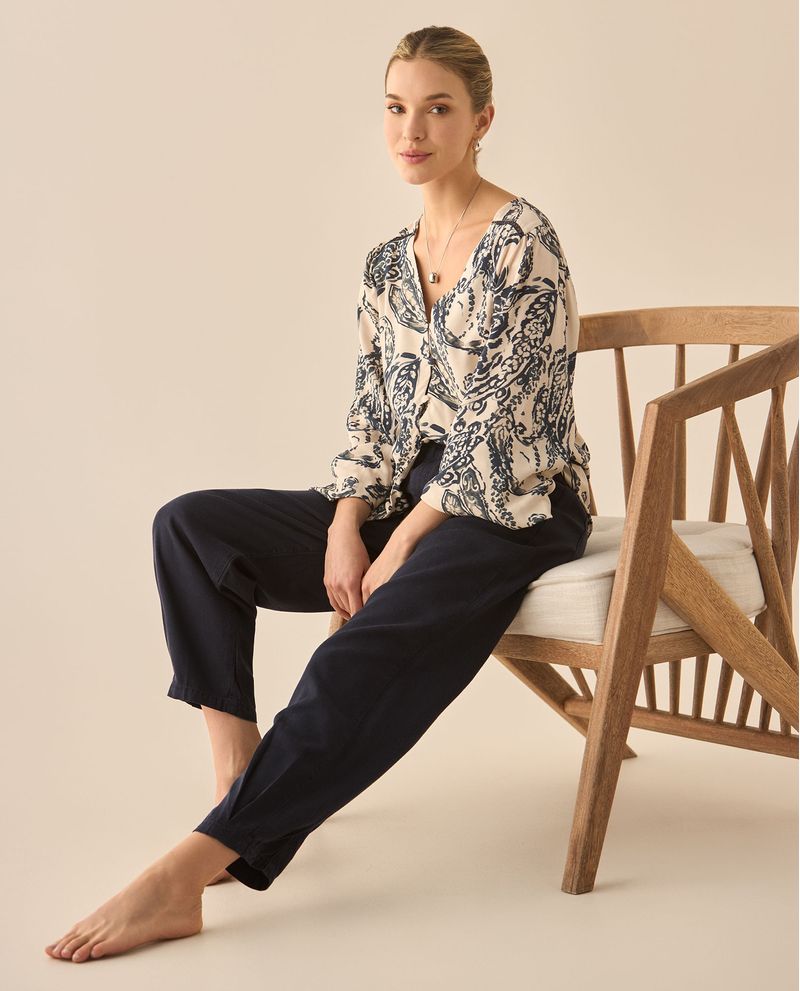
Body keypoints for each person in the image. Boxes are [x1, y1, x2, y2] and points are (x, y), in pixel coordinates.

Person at [44, 24, 593, 963]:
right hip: (406, 493)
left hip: (518, 503)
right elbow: (373, 416)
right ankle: (239, 780)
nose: (411, 130)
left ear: (481, 121)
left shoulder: (523, 243)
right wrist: (348, 524)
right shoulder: (386, 263)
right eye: (396, 108)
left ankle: (187, 872)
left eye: (438, 109)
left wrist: (402, 542)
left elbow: (500, 425)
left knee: (360, 648)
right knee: (191, 528)